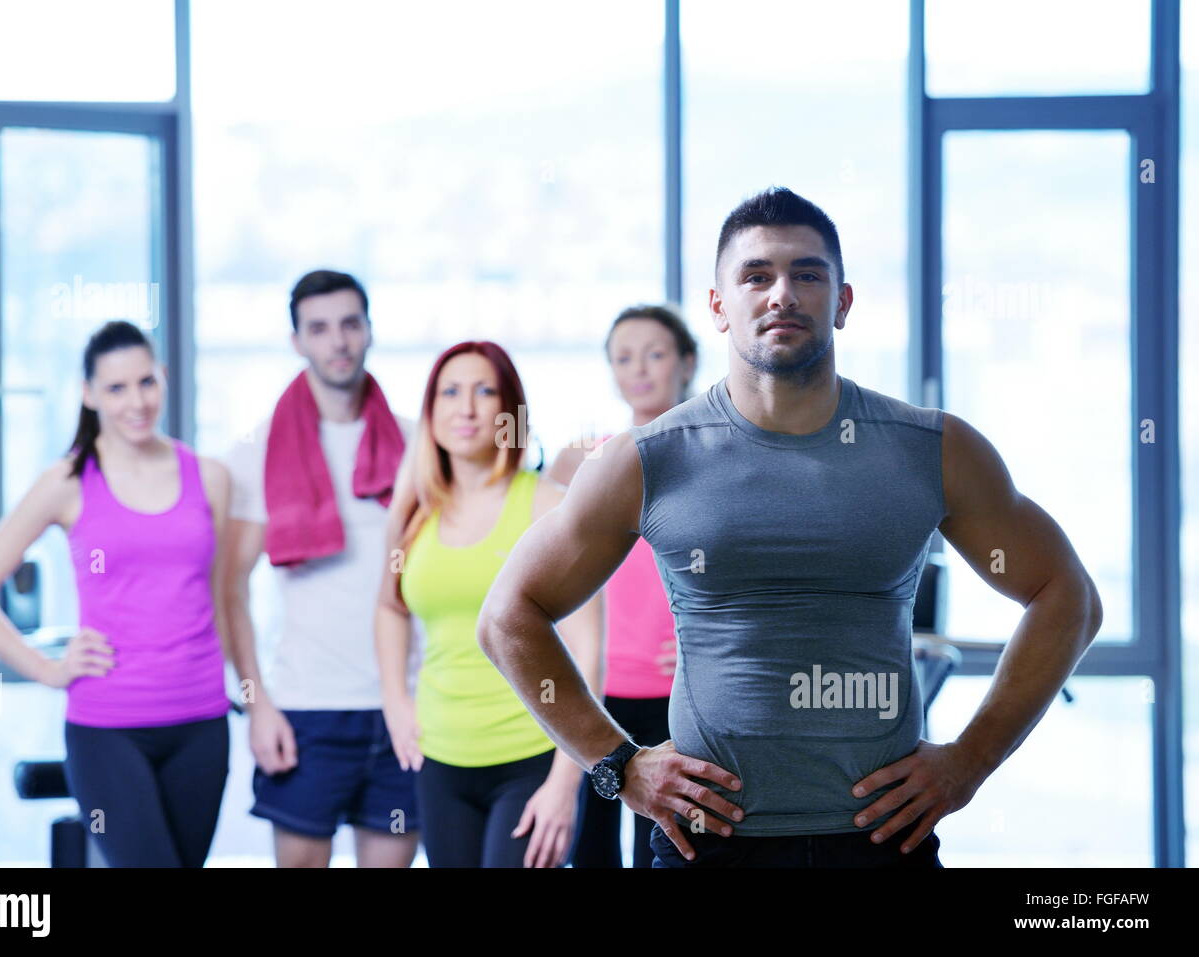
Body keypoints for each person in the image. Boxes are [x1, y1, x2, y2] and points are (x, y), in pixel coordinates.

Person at [476, 186, 1104, 868]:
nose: (782, 293)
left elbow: (1067, 596)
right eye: (756, 275)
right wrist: (619, 765)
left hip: (884, 841)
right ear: (719, 306)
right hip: (708, 844)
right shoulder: (647, 458)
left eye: (808, 274)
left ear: (843, 301)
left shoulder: (930, 448)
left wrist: (970, 761)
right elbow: (509, 616)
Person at [0, 320, 234, 867]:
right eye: (116, 388)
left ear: (164, 379)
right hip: (108, 729)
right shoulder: (68, 482)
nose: (136, 401)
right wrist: (48, 670)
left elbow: (221, 598)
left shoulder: (210, 478)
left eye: (146, 382)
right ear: (89, 393)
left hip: (201, 724)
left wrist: (256, 697)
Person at [375, 341, 604, 868]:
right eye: (450, 392)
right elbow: (390, 606)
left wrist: (566, 781)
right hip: (440, 758)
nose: (467, 407)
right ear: (430, 411)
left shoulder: (548, 506)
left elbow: (588, 653)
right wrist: (394, 699)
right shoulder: (413, 513)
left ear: (509, 409)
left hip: (532, 758)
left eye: (485, 390)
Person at [223, 269, 421, 868]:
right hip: (305, 708)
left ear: (368, 331)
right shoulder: (256, 451)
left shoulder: (417, 445)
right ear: (297, 341)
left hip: (402, 707)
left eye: (349, 324)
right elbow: (230, 589)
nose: (337, 341)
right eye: (319, 328)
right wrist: (257, 704)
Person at [546, 303, 696, 868]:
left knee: (666, 848)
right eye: (623, 357)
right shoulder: (582, 460)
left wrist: (698, 647)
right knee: (590, 850)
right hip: (595, 692)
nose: (639, 369)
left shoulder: (710, 453)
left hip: (678, 694)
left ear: (686, 362)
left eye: (655, 354)